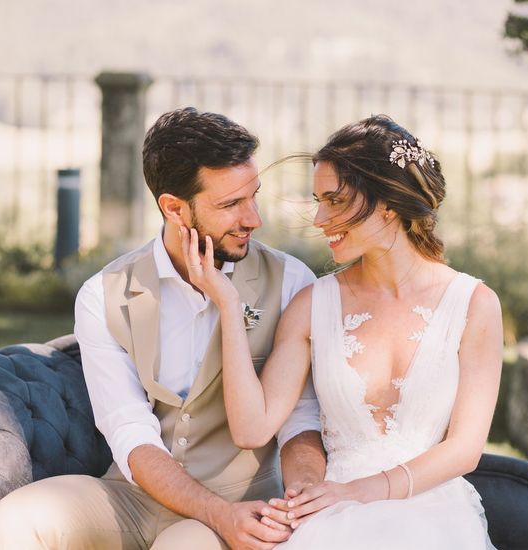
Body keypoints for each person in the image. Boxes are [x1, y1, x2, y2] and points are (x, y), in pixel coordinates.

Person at [0, 108, 327, 550]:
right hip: (134, 496)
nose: (253, 219)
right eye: (230, 205)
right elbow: (129, 432)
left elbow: (301, 417)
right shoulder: (103, 295)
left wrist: (303, 494)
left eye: (253, 196)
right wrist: (213, 512)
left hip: (243, 501)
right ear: (174, 208)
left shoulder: (292, 282)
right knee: (16, 519)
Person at [184, 115, 503, 549]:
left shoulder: (474, 304)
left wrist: (361, 492)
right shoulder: (313, 305)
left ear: (388, 203)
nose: (319, 218)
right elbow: (251, 429)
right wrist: (228, 305)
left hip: (435, 511)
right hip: (332, 515)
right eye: (318, 200)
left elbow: (465, 449)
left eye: (334, 201)